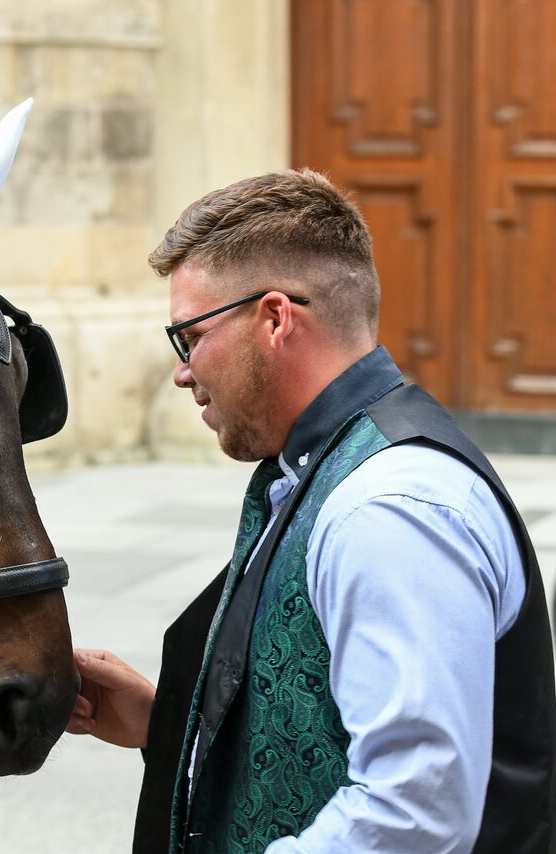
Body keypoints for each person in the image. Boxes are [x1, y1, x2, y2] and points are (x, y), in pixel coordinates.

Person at [66, 169, 555, 853]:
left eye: (190, 337)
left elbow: (414, 812)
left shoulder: (388, 508)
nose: (182, 371)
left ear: (273, 319)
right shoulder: (326, 467)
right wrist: (167, 723)